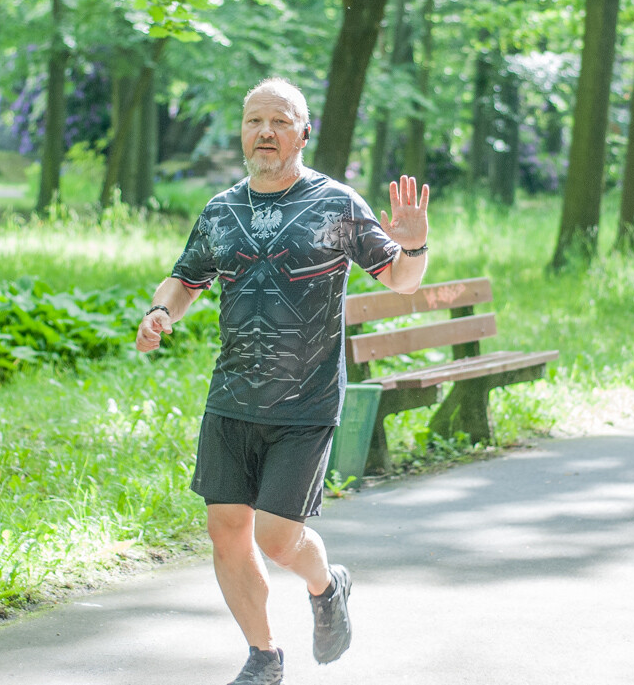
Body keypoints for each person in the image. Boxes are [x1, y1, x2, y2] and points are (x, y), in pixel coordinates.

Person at [135, 77, 430, 685]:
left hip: (307, 399)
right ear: (242, 131)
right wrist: (160, 311)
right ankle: (263, 656)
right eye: (253, 122)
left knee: (275, 536)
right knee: (226, 533)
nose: (264, 132)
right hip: (233, 395)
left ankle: (327, 585)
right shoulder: (221, 210)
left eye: (278, 121)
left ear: (303, 131)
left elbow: (400, 280)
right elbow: (185, 279)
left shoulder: (337, 204)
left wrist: (414, 242)